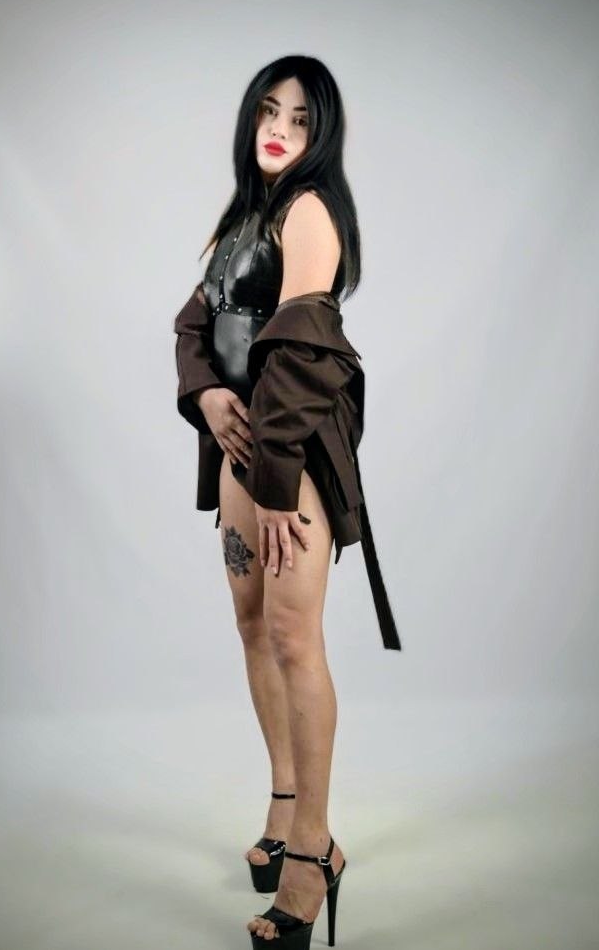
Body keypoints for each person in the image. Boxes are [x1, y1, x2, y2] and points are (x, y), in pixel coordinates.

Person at [174, 55, 401, 948]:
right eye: (270, 111)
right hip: (238, 442)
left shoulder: (309, 210)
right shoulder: (243, 215)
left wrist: (274, 483)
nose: (280, 129)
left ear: (322, 134)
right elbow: (194, 325)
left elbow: (305, 355)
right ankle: (282, 802)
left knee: (295, 639)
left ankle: (313, 851)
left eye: (301, 119)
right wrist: (205, 395)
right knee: (252, 625)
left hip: (290, 449)